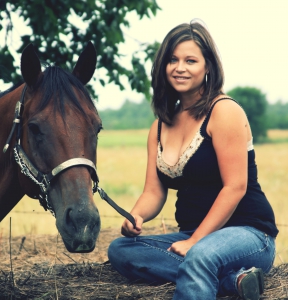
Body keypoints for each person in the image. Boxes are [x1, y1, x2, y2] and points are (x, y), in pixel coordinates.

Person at [107, 20, 278, 300]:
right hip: (191, 235)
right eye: (172, 60)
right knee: (121, 250)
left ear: (207, 67)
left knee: (199, 256)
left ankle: (211, 269)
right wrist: (135, 216)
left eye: (190, 60)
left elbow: (235, 187)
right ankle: (232, 283)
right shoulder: (160, 126)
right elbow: (153, 191)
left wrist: (196, 241)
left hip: (247, 234)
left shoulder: (224, 111)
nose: (180, 67)